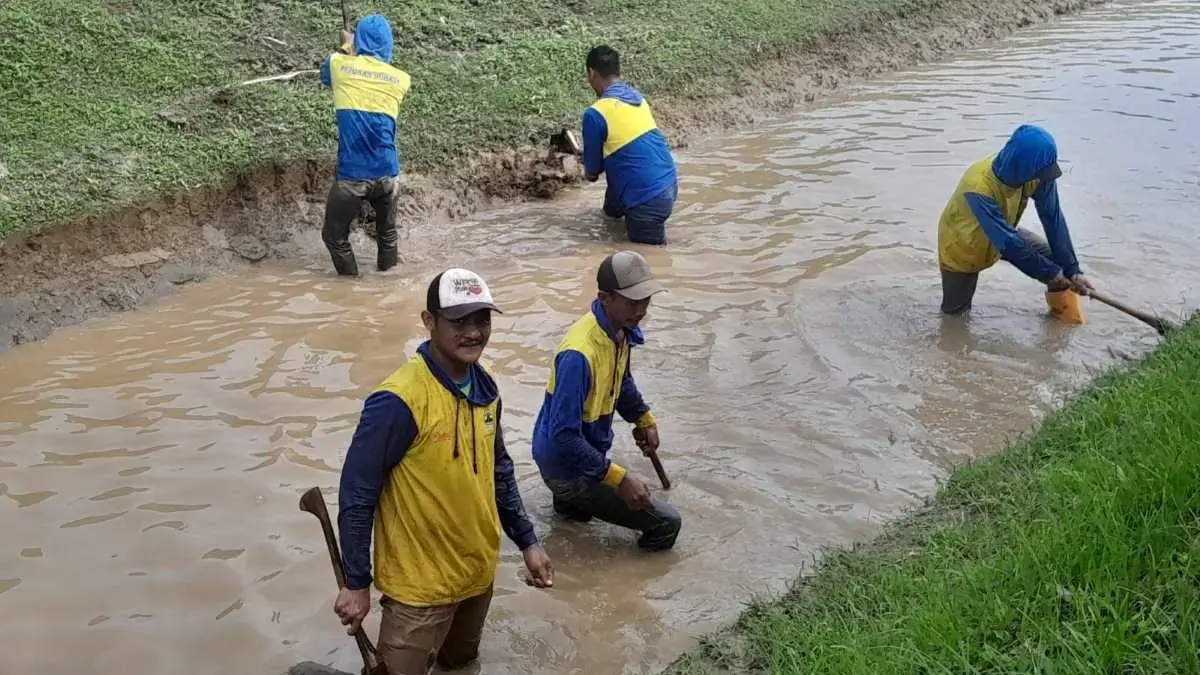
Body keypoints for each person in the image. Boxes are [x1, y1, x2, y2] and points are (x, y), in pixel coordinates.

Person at [333, 268, 554, 674]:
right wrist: (357, 582)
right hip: (419, 588)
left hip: (476, 573)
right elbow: (357, 494)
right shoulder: (397, 401)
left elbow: (499, 470)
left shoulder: (485, 388)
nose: (473, 333)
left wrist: (528, 541)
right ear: (428, 321)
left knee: (461, 665)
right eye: (459, 321)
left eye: (482, 320)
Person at [531, 250, 682, 551]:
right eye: (632, 302)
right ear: (605, 298)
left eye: (645, 301)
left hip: (576, 455)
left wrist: (643, 418)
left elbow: (621, 382)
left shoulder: (619, 330)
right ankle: (631, 586)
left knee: (576, 523)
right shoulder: (578, 355)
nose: (641, 310)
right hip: (567, 463)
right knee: (668, 523)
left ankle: (570, 516)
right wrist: (620, 478)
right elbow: (564, 437)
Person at [937, 124, 1094, 316]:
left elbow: (1053, 218)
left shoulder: (1038, 171)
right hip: (963, 241)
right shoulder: (978, 187)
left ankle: (1061, 323)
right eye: (1040, 173)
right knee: (956, 315)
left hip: (1004, 228)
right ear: (1024, 166)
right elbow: (1009, 245)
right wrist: (1051, 274)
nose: (1044, 178)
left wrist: (1073, 270)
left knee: (1058, 263)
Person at [318, 14, 412, 277]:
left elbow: (326, 75)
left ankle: (350, 288)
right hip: (388, 175)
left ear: (358, 40)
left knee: (334, 237)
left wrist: (346, 47)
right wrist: (355, 50)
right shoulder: (401, 79)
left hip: (353, 176)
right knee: (388, 234)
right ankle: (388, 280)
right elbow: (371, 74)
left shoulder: (339, 65)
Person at [581, 46, 680, 246]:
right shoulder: (638, 99)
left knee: (647, 259)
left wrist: (585, 164)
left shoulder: (595, 113)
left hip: (647, 199)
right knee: (610, 214)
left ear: (592, 73)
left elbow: (592, 173)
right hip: (668, 183)